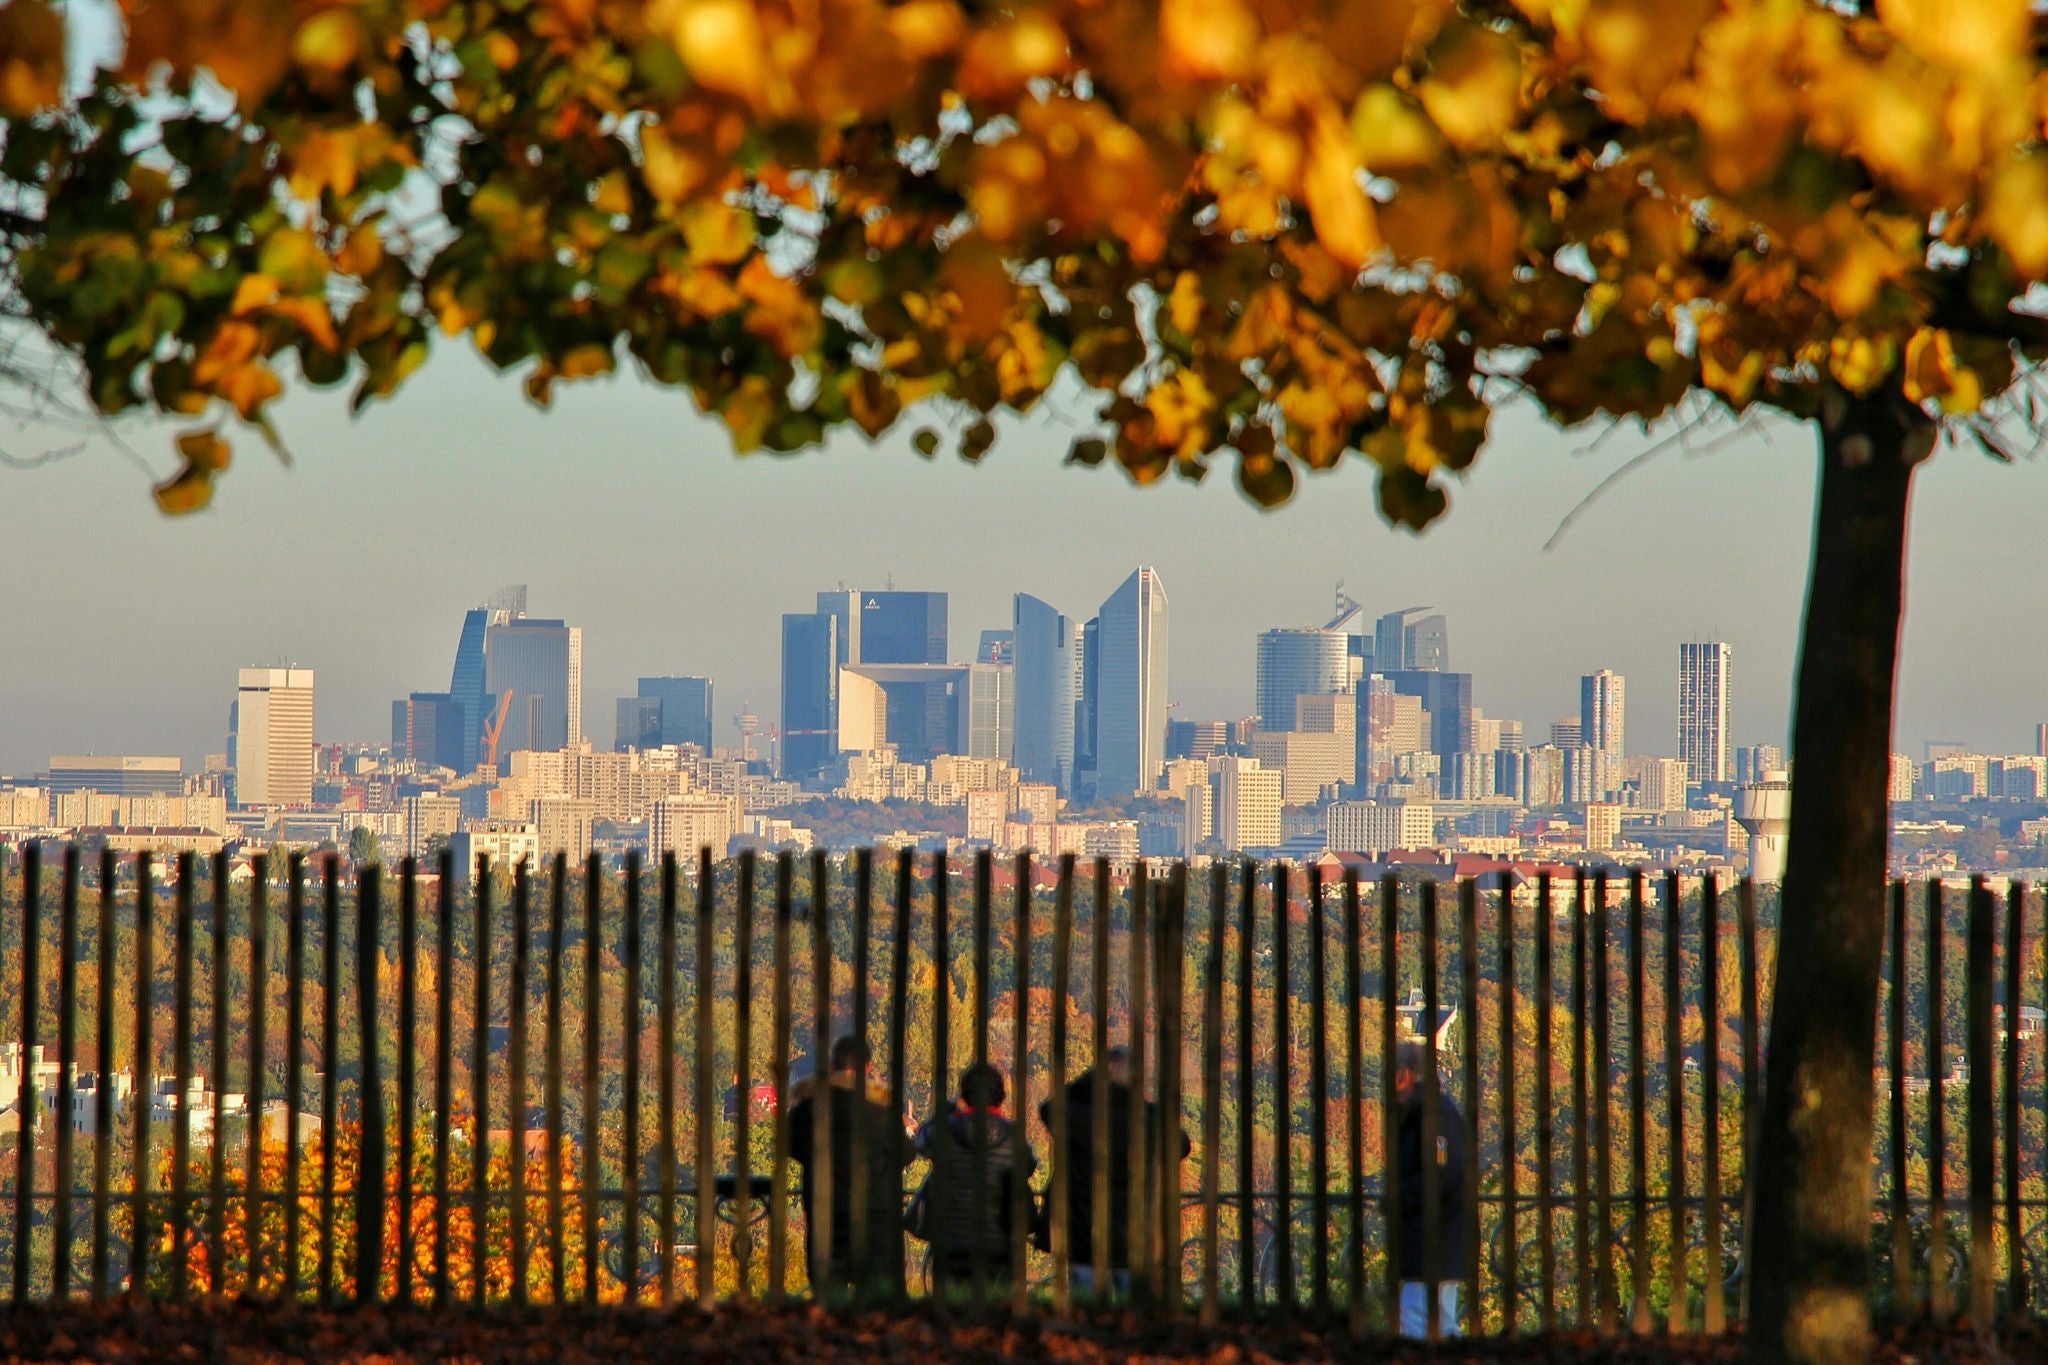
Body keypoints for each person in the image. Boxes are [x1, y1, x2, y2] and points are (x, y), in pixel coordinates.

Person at [1037, 1046, 1190, 1300]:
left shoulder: (1080, 1116)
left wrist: (1092, 1078)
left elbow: (1049, 1108)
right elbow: (1182, 1145)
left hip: (1086, 1234)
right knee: (1137, 1317)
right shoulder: (1152, 1121)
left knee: (1086, 1310)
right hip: (1136, 1236)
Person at [787, 1036, 911, 1300]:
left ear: (832, 1066)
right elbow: (905, 1153)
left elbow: (791, 1146)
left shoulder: (809, 1107)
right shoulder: (880, 1108)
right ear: (868, 1068)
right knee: (878, 1300)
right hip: (875, 1214)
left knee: (827, 1297)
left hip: (825, 1212)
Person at [911, 1062, 1035, 1294]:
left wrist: (944, 1111)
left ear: (964, 1095)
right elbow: (1029, 1166)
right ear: (1001, 1096)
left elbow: (920, 1142)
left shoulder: (945, 1130)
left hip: (950, 1241)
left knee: (950, 1310)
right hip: (998, 1243)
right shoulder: (1012, 1136)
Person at [1392, 1036, 1466, 1338]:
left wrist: (1400, 1197)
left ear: (1403, 1076)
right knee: (1435, 1319)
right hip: (1436, 1238)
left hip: (1432, 1238)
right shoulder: (1429, 1112)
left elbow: (1439, 1175)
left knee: (1417, 1318)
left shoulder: (1431, 1115)